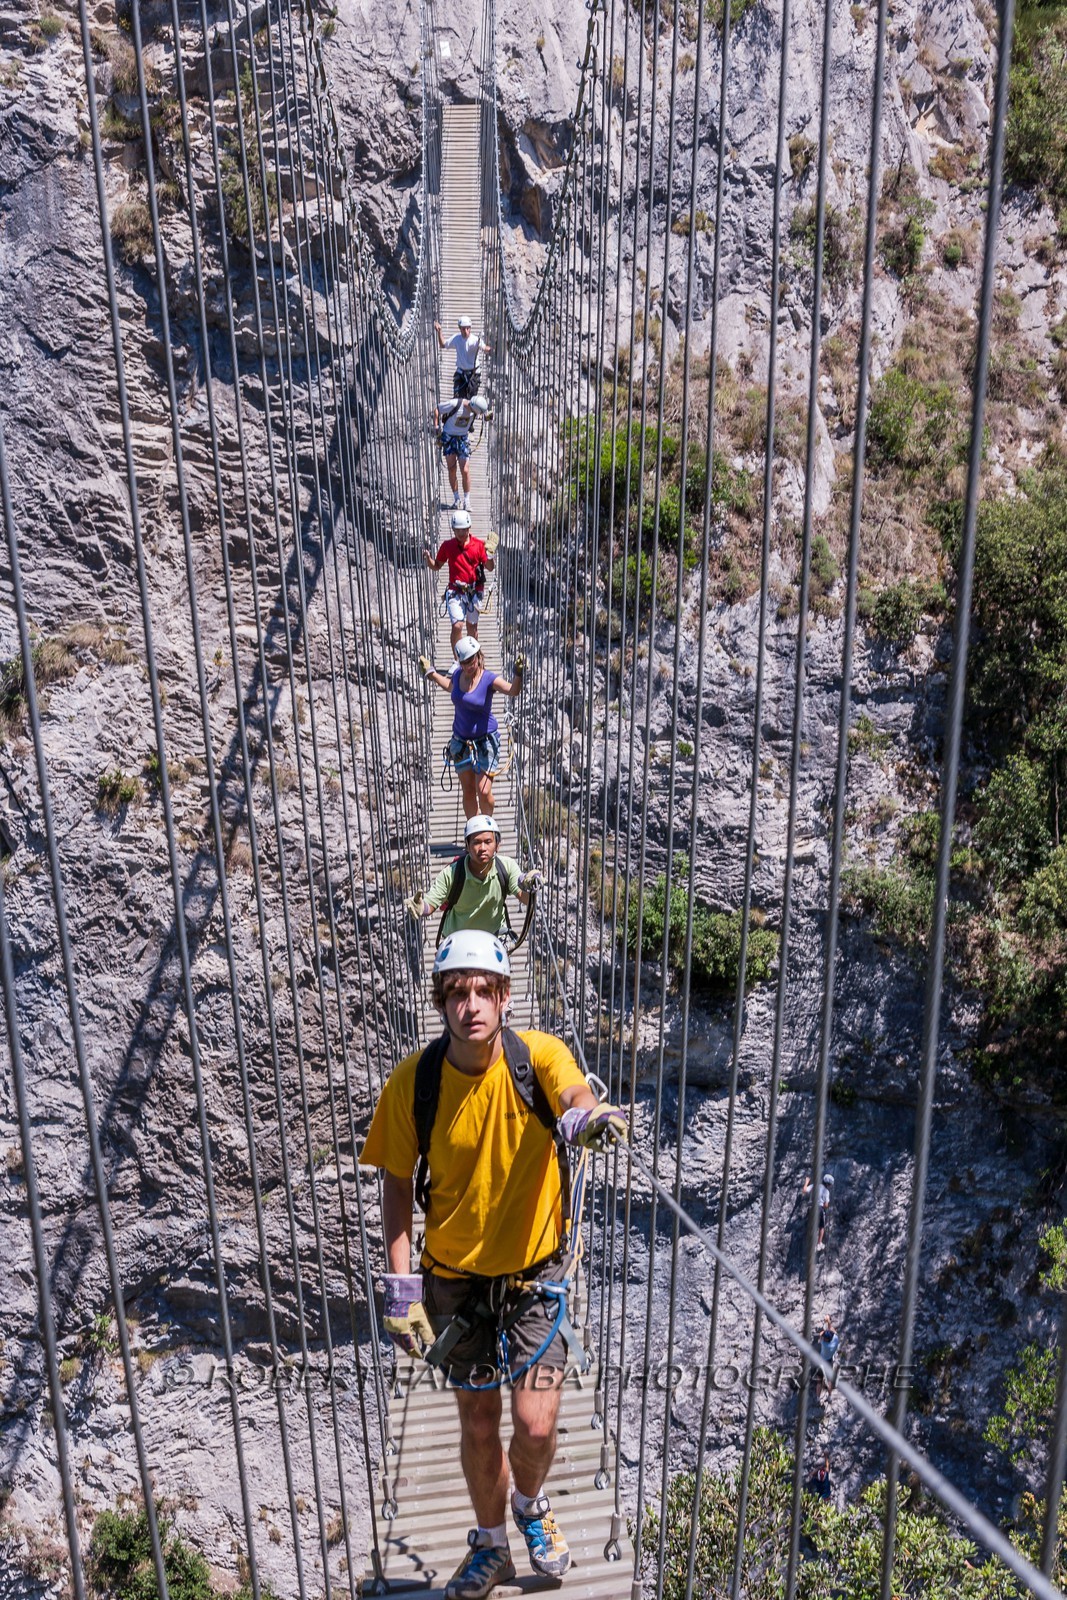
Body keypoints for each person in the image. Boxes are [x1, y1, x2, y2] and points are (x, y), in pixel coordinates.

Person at [359, 931, 627, 1599]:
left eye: (483, 990)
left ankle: (530, 1507)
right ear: (441, 1004)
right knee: (477, 1422)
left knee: (535, 1424)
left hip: (537, 1276)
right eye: (456, 992)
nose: (469, 1004)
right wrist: (400, 1290)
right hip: (452, 1281)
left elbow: (572, 1096)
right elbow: (395, 1184)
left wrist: (585, 1121)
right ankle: (491, 1546)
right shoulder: (413, 1082)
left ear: (504, 998)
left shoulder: (535, 1055)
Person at [418, 637, 522, 820]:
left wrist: (518, 674)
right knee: (468, 791)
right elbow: (451, 687)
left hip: (485, 742)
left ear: (478, 656)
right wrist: (431, 673)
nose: (467, 666)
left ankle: (487, 827)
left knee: (483, 790)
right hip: (460, 742)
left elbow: (513, 691)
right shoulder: (458, 675)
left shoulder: (489, 679)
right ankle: (474, 832)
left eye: (470, 661)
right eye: (463, 662)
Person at [406, 813, 541, 942]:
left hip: (493, 940)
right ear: (467, 846)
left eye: (488, 842)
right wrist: (420, 907)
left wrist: (530, 886)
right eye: (476, 842)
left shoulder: (506, 867)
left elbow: (523, 896)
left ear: (497, 845)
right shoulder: (451, 873)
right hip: (458, 942)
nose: (482, 848)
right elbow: (430, 904)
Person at [424, 511, 493, 658]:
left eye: (464, 529)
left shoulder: (479, 545)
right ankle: (458, 659)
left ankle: (472, 658)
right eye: (458, 530)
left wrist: (490, 556)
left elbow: (490, 567)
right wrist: (428, 559)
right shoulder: (448, 546)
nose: (461, 533)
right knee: (457, 626)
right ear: (453, 530)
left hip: (474, 592)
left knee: (472, 628)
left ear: (469, 528)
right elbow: (437, 566)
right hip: (456, 591)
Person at [434, 394, 490, 510]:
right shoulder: (455, 404)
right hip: (449, 438)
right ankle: (456, 499)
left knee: (465, 470)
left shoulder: (475, 409)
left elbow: (485, 415)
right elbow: (437, 409)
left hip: (463, 438)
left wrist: (489, 416)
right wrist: (436, 428)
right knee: (452, 469)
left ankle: (467, 501)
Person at [435, 313, 491, 398]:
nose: (466, 331)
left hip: (473, 374)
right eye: (463, 329)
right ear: (460, 329)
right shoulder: (456, 338)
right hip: (461, 373)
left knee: (471, 400)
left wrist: (491, 349)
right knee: (457, 399)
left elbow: (484, 348)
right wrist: (439, 332)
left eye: (468, 328)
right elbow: (443, 344)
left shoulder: (475, 340)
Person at [802, 1171, 834, 1252]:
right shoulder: (826, 1192)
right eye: (830, 1185)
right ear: (828, 1184)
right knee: (821, 1226)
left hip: (811, 1208)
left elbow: (804, 1190)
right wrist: (823, 1205)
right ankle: (819, 1243)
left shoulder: (814, 1186)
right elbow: (826, 1205)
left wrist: (806, 1182)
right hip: (819, 1209)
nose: (830, 1186)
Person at [813, 1313, 840, 1400]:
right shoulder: (835, 1339)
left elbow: (820, 1337)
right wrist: (829, 1322)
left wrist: (822, 1333)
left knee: (819, 1381)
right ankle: (829, 1397)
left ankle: (817, 1397)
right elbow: (831, 1330)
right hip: (829, 1361)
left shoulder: (824, 1344)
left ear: (826, 1339)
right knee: (829, 1381)